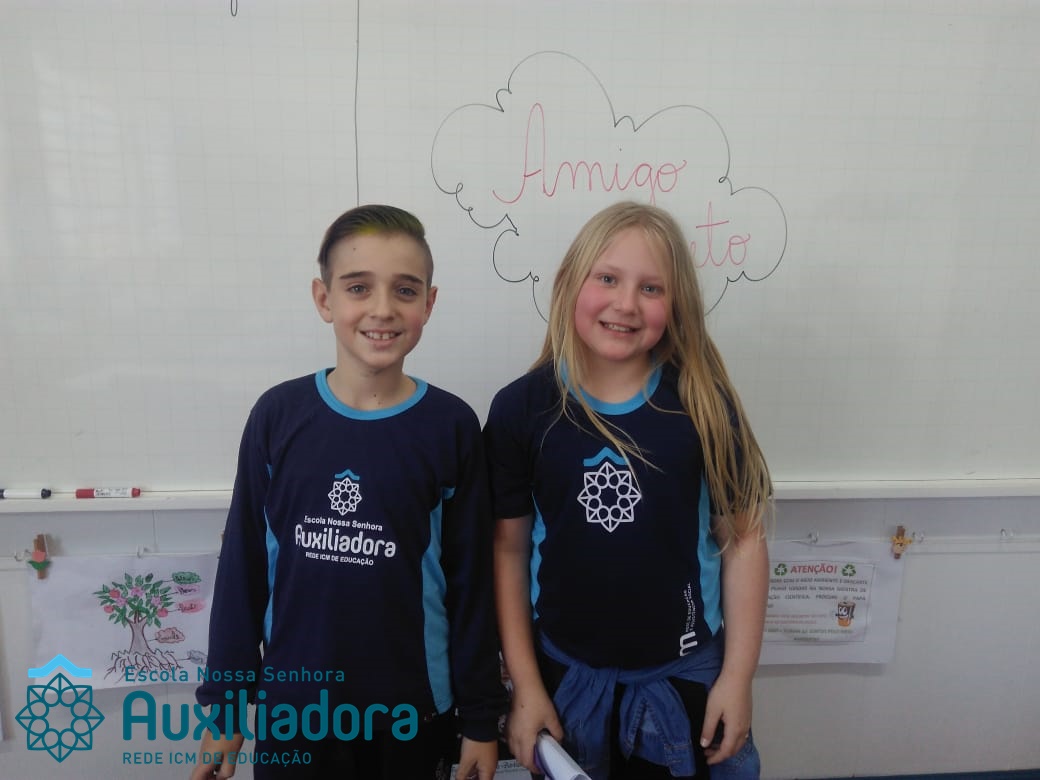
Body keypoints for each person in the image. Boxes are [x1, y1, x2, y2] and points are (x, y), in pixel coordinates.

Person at [192, 204, 506, 780]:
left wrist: (482, 719)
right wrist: (226, 708)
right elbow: (242, 571)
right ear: (324, 299)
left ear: (429, 303)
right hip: (296, 714)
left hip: (413, 715)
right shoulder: (277, 417)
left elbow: (471, 586)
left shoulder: (452, 427)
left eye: (405, 290)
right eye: (358, 287)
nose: (382, 309)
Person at [485, 201, 772, 780]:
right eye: (608, 278)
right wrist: (526, 685)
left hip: (685, 675)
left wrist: (738, 678)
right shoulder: (522, 409)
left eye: (651, 288)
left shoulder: (702, 406)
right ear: (570, 284)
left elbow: (744, 541)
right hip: (563, 678)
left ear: (677, 304)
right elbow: (508, 551)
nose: (625, 303)